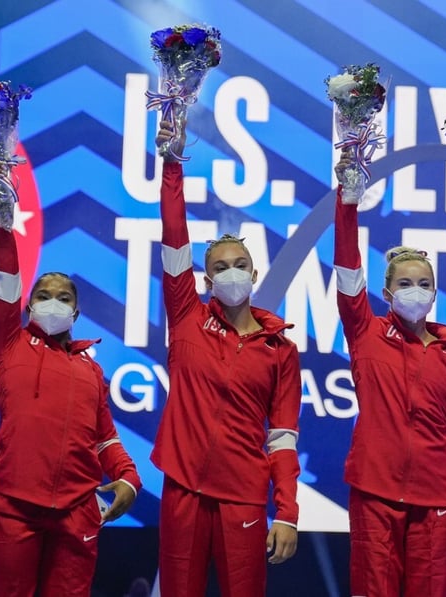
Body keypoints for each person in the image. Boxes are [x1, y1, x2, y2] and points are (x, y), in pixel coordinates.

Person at [150, 120, 302, 597]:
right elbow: (174, 236)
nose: (231, 273)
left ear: (254, 274)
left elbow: (281, 439)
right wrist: (172, 165)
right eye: (220, 267)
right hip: (184, 491)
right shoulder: (187, 317)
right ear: (205, 279)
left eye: (239, 265)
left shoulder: (280, 349)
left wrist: (289, 512)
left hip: (244, 496)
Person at [0, 162, 141, 596]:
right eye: (43, 295)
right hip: (14, 509)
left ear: (76, 312)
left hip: (77, 513)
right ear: (28, 306)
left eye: (63, 297)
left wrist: (127, 477)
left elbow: (105, 438)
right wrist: (0, 221)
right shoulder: (8, 344)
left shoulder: (90, 369)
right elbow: (6, 279)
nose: (52, 302)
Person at [333, 153, 446, 596]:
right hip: (374, 491)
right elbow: (347, 270)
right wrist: (348, 201)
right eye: (404, 284)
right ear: (386, 292)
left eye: (424, 284)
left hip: (435, 498)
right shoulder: (365, 331)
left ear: (435, 293)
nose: (415, 291)